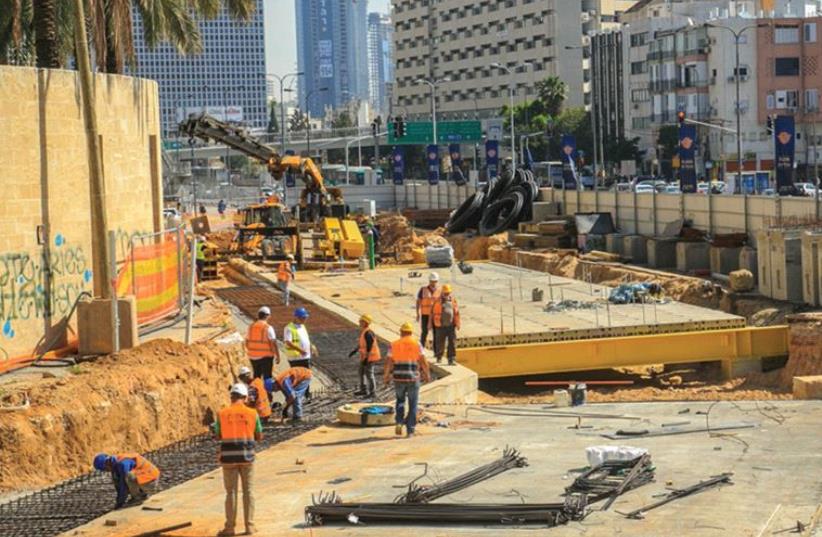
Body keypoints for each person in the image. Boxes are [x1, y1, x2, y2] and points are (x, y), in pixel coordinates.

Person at [213, 383, 263, 536]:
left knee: (231, 493)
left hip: (228, 459)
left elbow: (217, 435)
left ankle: (229, 528)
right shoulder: (252, 413)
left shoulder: (221, 413)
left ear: (231, 397)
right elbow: (259, 436)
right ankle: (249, 526)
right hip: (247, 458)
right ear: (245, 397)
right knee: (248, 491)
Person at [384, 322, 430, 438]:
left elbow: (388, 362)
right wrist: (426, 374)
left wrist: (386, 376)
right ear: (411, 332)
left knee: (400, 401)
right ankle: (410, 430)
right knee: (413, 404)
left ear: (401, 332)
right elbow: (423, 361)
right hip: (413, 378)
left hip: (398, 378)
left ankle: (399, 422)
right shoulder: (417, 344)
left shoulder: (394, 344)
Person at [93, 452, 160, 509]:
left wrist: (120, 503)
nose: (106, 471)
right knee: (120, 477)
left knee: (128, 476)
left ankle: (139, 498)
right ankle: (141, 494)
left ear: (106, 464)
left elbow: (123, 484)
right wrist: (118, 501)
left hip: (151, 481)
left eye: (105, 469)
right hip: (145, 480)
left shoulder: (122, 464)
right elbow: (119, 485)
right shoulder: (115, 464)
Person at [284, 307, 314, 400]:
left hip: (305, 357)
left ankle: (306, 394)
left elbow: (305, 339)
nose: (304, 320)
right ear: (296, 317)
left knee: (307, 376)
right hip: (295, 358)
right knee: (297, 377)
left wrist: (312, 346)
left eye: (305, 318)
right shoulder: (289, 328)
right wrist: (300, 350)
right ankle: (298, 396)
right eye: (302, 318)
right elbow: (288, 342)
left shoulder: (303, 326)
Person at [348, 314, 381, 399]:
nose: (359, 322)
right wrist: (355, 350)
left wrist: (367, 358)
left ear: (365, 322)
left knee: (369, 374)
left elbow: (370, 346)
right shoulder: (364, 331)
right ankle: (364, 389)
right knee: (361, 372)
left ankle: (373, 392)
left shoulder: (368, 333)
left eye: (361, 321)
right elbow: (362, 344)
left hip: (371, 357)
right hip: (365, 356)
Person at [245, 306, 280, 381]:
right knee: (267, 377)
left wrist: (252, 351)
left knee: (256, 376)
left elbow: (247, 342)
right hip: (266, 356)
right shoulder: (267, 327)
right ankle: (267, 392)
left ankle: (256, 391)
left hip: (253, 356)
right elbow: (273, 343)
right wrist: (277, 355)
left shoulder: (251, 327)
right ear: (267, 316)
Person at [430, 284, 460, 366]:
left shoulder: (453, 301)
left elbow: (456, 313)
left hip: (451, 326)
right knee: (440, 343)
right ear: (442, 292)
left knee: (452, 343)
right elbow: (432, 313)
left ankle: (451, 359)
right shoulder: (437, 301)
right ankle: (439, 356)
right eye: (445, 293)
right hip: (440, 326)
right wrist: (430, 324)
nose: (447, 294)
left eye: (448, 293)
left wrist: (458, 324)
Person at [416, 272, 441, 349]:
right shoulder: (423, 290)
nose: (433, 283)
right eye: (432, 281)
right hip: (425, 315)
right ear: (429, 281)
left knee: (436, 333)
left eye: (435, 281)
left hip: (435, 315)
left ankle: (436, 352)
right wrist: (417, 313)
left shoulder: (440, 290)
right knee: (424, 332)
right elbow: (418, 302)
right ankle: (421, 349)